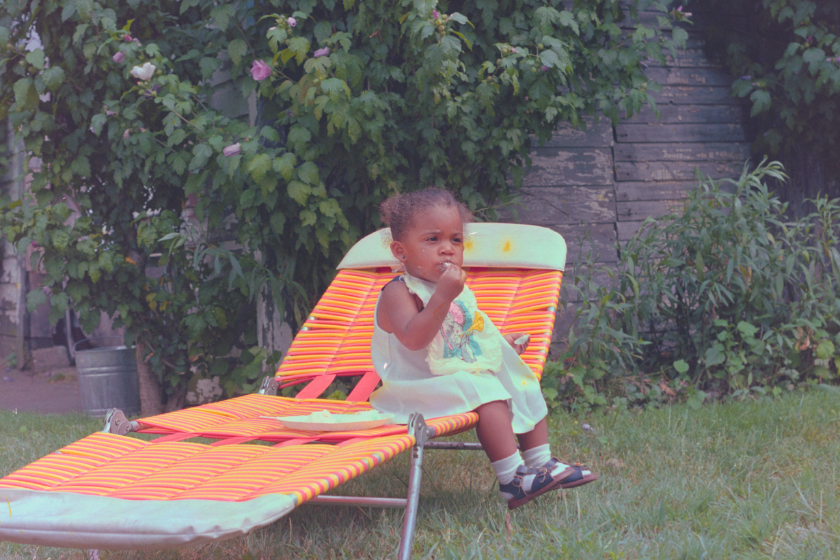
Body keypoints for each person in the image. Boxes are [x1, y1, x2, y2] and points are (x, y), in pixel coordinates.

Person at [369, 188, 598, 510]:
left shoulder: (452, 291)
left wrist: (499, 343)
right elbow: (415, 339)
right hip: (411, 391)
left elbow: (461, 334)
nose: (447, 249)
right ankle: (512, 478)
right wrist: (444, 296)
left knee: (518, 378)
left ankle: (540, 463)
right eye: (432, 239)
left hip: (448, 381)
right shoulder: (398, 292)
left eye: (456, 240)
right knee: (486, 390)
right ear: (400, 251)